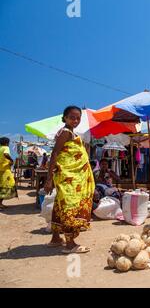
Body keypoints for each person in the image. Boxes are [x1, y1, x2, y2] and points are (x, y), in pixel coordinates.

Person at [44, 106, 95, 254]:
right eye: (72, 117)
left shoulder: (70, 132)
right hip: (69, 178)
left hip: (70, 177)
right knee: (70, 207)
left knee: (61, 205)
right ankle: (70, 244)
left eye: (78, 118)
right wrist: (48, 179)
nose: (75, 120)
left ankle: (55, 238)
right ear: (65, 117)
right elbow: (54, 154)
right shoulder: (65, 132)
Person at [0, 137, 17, 209]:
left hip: (1, 169)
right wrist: (11, 160)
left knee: (1, 186)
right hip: (5, 169)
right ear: (7, 143)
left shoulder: (0, 148)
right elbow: (6, 154)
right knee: (8, 185)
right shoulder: (5, 147)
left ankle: (0, 203)